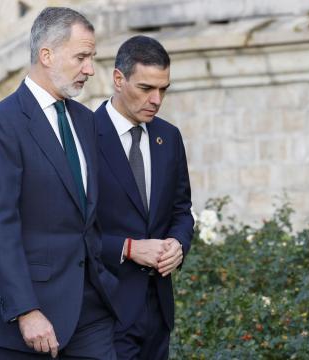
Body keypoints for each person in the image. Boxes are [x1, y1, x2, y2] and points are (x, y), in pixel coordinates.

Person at [0, 7, 118, 359]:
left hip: (92, 311)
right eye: (81, 57)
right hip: (31, 320)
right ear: (46, 54)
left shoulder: (85, 121)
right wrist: (26, 311)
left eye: (92, 58)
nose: (89, 69)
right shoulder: (1, 125)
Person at [96, 35, 194, 360]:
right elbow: (67, 229)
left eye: (163, 89)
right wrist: (128, 248)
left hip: (158, 311)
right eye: (146, 88)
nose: (156, 99)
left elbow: (181, 211)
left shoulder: (169, 136)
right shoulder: (83, 136)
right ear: (118, 79)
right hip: (102, 310)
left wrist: (179, 245)